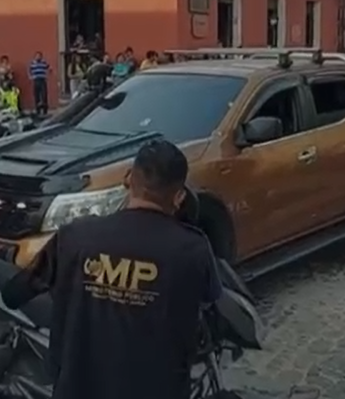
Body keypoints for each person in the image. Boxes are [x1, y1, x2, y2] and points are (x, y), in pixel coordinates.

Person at [0, 140, 222, 399]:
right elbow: (209, 303)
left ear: (128, 179)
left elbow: (15, 294)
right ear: (179, 196)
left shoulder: (75, 237)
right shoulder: (193, 249)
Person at [29, 51, 50, 116]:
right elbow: (29, 70)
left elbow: (49, 68)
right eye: (37, 56)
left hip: (42, 80)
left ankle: (45, 111)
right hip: (36, 80)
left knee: (44, 96)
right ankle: (38, 110)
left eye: (39, 56)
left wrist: (47, 75)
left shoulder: (44, 62)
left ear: (41, 57)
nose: (38, 57)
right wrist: (30, 77)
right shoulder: (32, 63)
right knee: (36, 96)